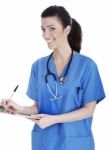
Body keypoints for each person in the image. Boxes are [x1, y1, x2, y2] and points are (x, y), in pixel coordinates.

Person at [2, 5, 105, 150]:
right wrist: (18, 109)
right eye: (43, 29)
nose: (45, 35)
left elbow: (89, 110)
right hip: (45, 143)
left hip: (75, 144)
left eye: (51, 28)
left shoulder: (87, 66)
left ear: (67, 30)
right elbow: (38, 108)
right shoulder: (38, 66)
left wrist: (54, 120)